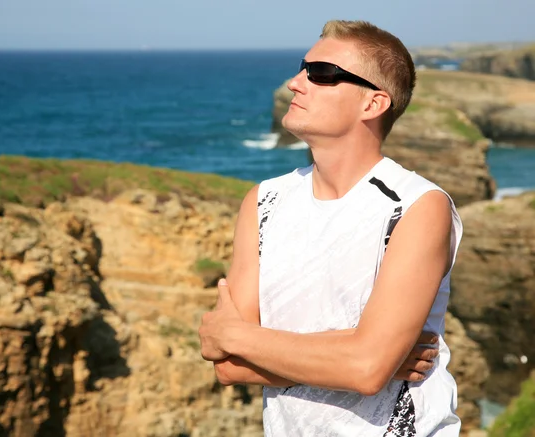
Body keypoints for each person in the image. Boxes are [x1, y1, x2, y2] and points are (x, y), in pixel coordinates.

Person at [198, 19, 462, 437]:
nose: (295, 82)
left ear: (373, 104)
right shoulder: (263, 203)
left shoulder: (417, 206)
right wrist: (356, 351)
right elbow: (229, 365)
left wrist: (235, 334)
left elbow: (365, 369)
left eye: (320, 74)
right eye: (302, 69)